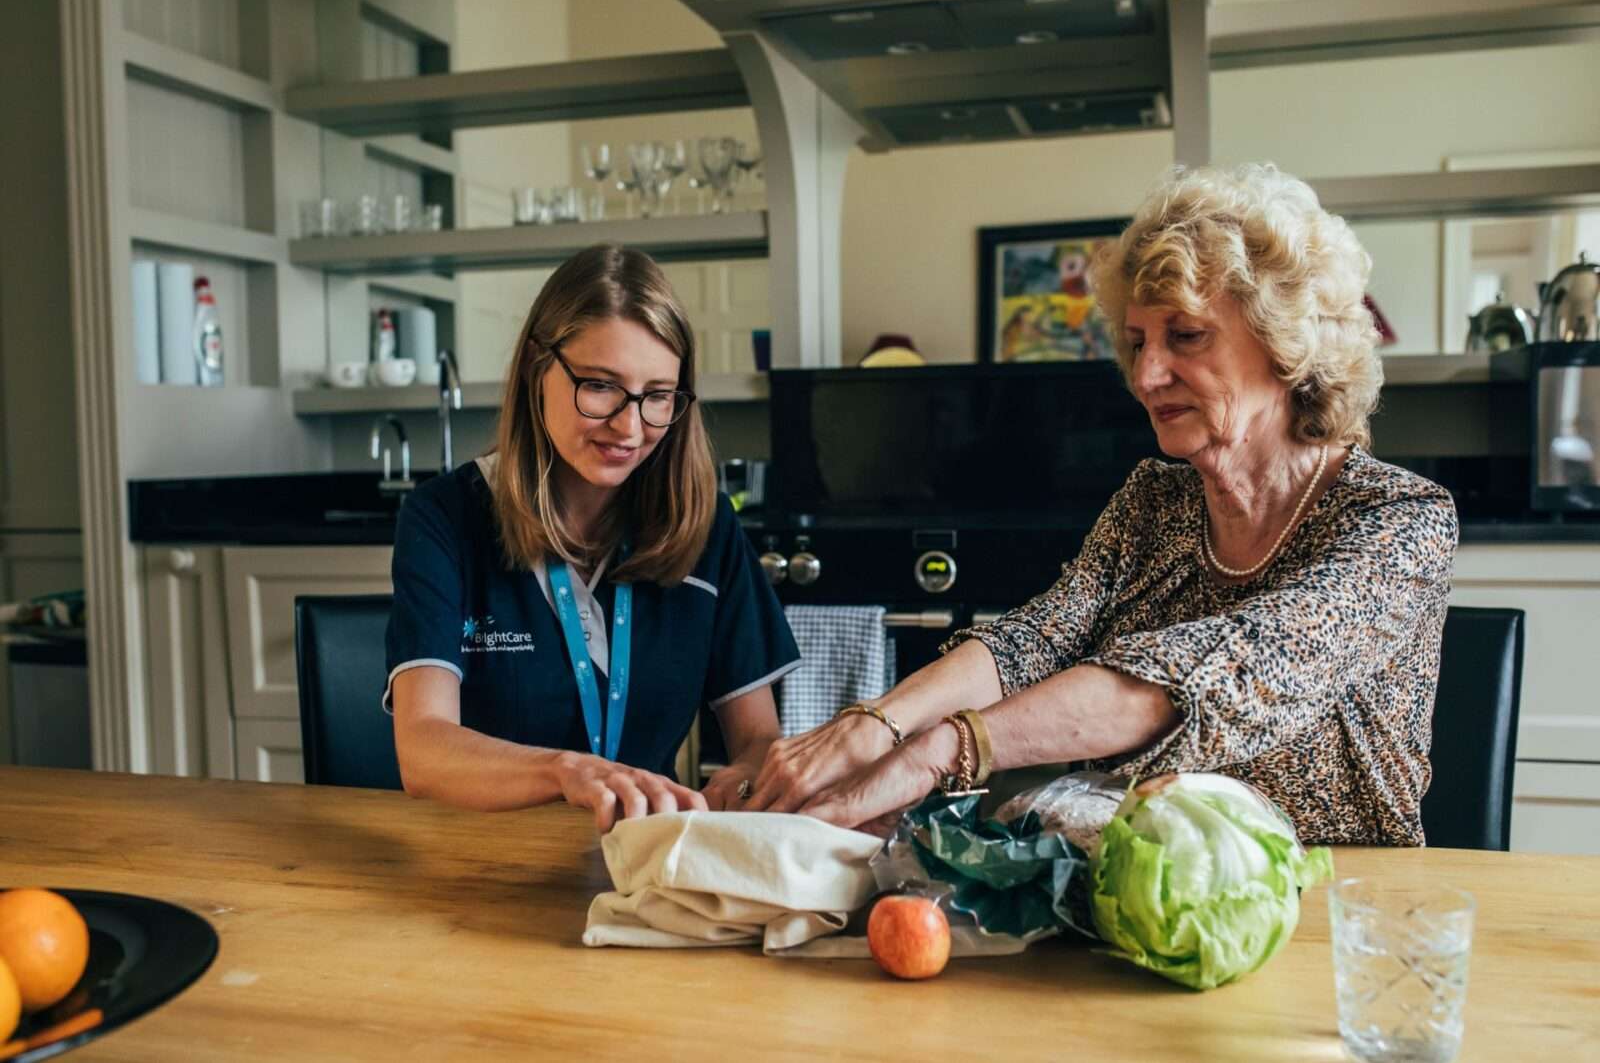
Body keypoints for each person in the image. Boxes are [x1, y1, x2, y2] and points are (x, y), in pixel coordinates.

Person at [743, 164, 1458, 846]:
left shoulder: (1397, 520)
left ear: (1286, 343)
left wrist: (946, 749)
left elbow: (1218, 670)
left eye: (1186, 335)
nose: (1147, 374)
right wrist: (870, 728)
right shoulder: (1155, 500)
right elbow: (1036, 639)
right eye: (1138, 340)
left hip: (1337, 896)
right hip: (1154, 877)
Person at [385, 244, 800, 831]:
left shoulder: (705, 525)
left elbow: (758, 738)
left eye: (658, 396)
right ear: (536, 367)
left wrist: (747, 777)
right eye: (602, 386)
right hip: (476, 865)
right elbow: (423, 750)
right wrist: (566, 773)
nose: (630, 428)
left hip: (641, 869)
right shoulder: (441, 518)